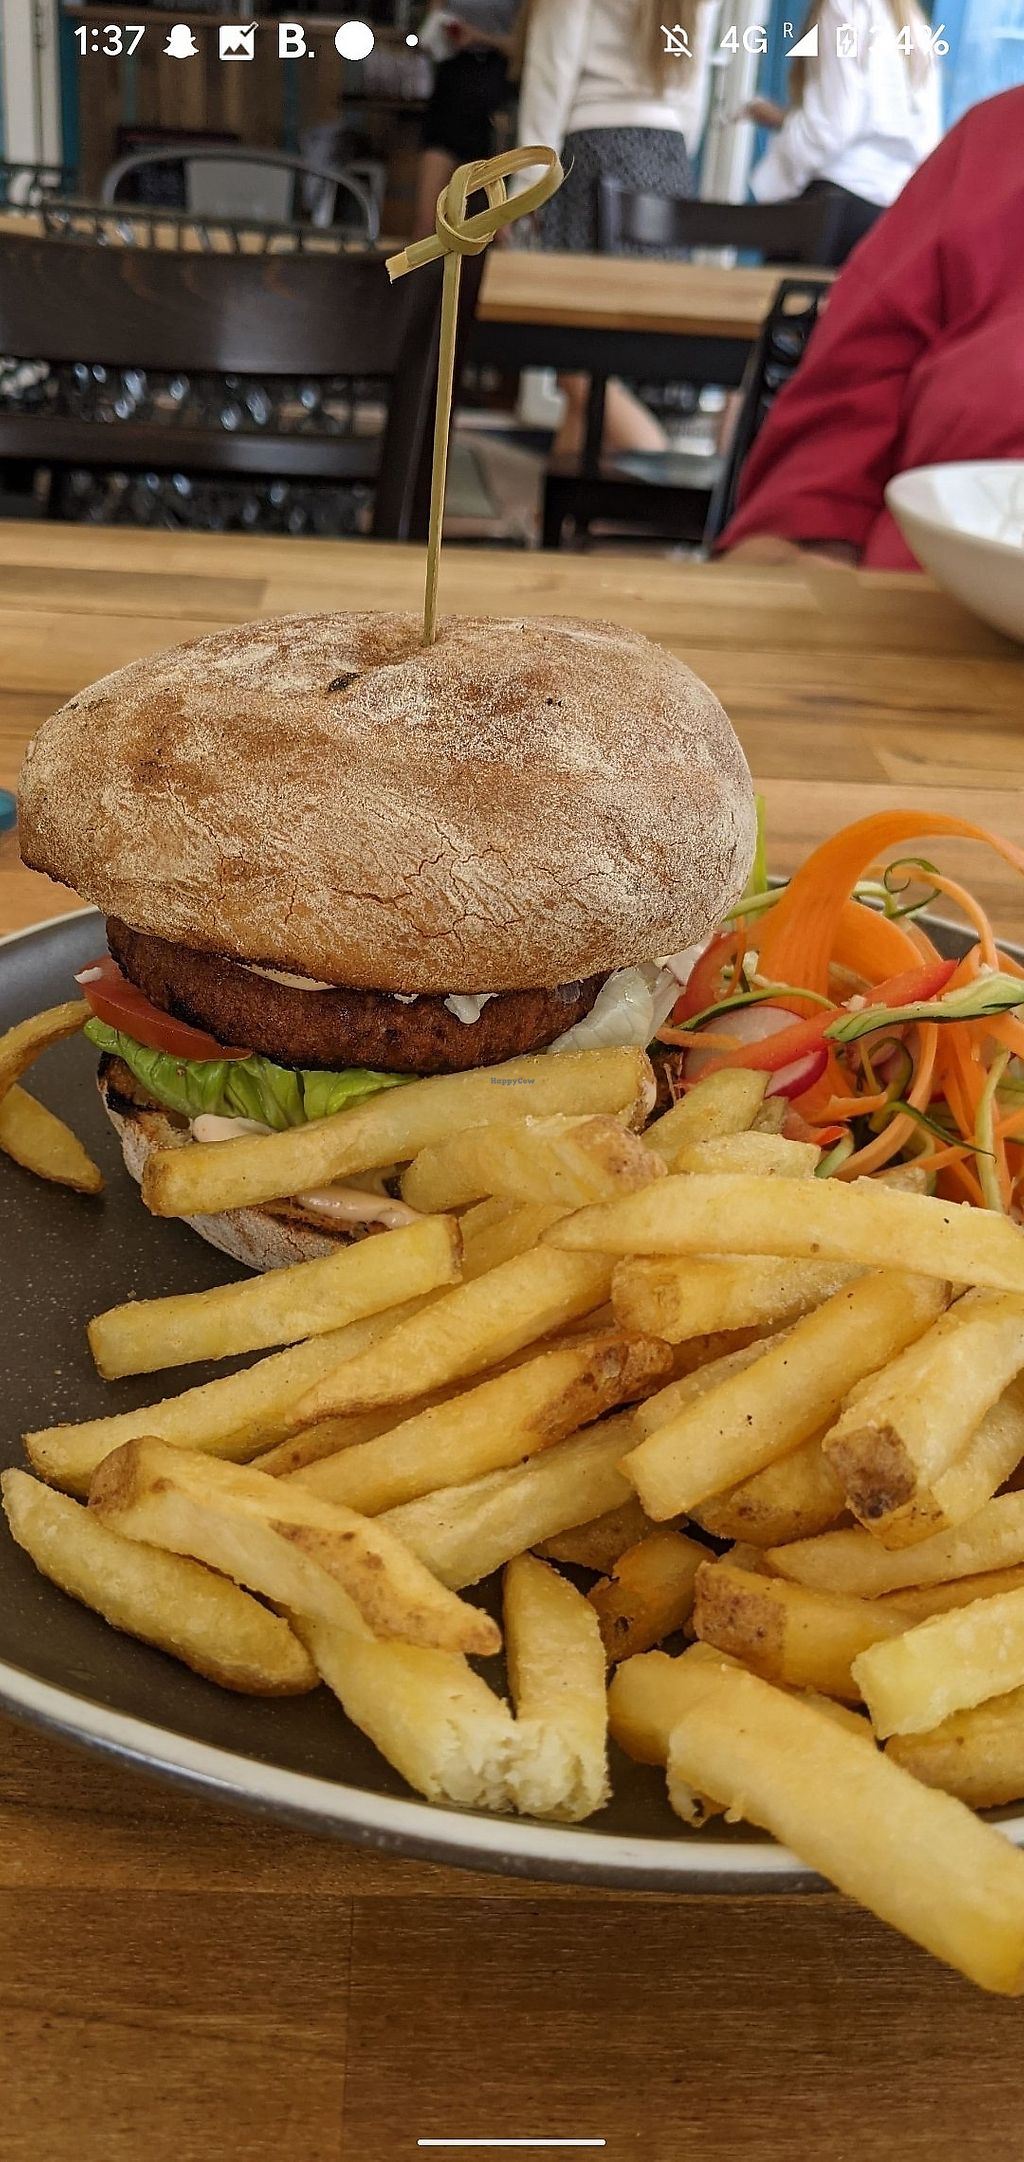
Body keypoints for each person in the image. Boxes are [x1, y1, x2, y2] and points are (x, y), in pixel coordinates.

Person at [717, 87, 1024, 571]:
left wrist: (783, 144)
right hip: (919, 587)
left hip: (836, 189)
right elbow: (855, 390)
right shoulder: (994, 140)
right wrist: (805, 535)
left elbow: (828, 127)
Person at [514, 0, 720, 457]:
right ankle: (563, 503)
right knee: (601, 366)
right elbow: (694, 79)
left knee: (573, 360)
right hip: (667, 162)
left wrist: (527, 186)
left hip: (595, 153)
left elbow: (554, 65)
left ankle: (658, 463)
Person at [746, 0, 941, 265]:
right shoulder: (911, 20)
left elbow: (831, 128)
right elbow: (925, 139)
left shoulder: (845, 8)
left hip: (831, 215)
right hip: (888, 214)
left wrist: (776, 171)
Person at [413, 4, 522, 241]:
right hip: (453, 84)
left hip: (498, 90)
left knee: (497, 224)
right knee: (426, 222)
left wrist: (479, 37)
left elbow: (526, 46)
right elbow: (429, 29)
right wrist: (439, 31)